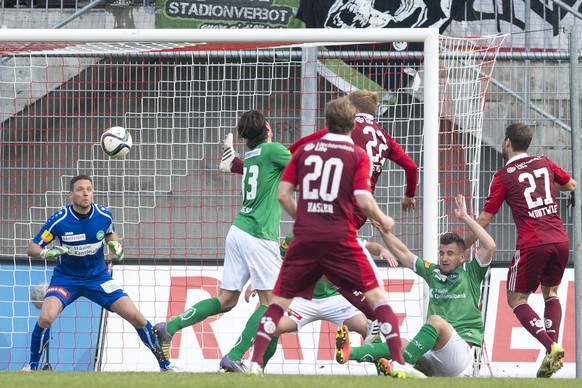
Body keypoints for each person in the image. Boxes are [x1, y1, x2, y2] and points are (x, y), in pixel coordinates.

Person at [247, 96, 425, 378]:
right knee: (379, 299)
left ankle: (255, 363)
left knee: (278, 302)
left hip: (305, 237)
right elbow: (364, 200)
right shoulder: (358, 155)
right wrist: (384, 219)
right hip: (340, 235)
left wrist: (303, 219)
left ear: (326, 122)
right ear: (351, 123)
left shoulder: (306, 149)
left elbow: (283, 193)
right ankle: (400, 363)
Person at [153, 110, 292, 362]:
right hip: (259, 234)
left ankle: (169, 328)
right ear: (267, 128)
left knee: (227, 300)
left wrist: (234, 163)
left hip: (238, 230)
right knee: (272, 305)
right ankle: (236, 357)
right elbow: (301, 169)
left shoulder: (253, 155)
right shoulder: (273, 151)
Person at [22, 175, 174, 371]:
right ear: (71, 195)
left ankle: (166, 366)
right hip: (66, 279)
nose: (85, 193)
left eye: (89, 189)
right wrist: (46, 252)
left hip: (98, 278)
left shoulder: (104, 215)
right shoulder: (59, 220)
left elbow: (111, 233)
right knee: (46, 318)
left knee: (136, 317)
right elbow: (32, 247)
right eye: (80, 189)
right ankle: (32, 368)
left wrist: (115, 245)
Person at [335, 194, 495, 377]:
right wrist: (383, 230)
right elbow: (403, 253)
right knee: (399, 343)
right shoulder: (433, 271)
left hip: (459, 354)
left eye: (450, 253)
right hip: (434, 353)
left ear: (462, 257)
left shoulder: (471, 272)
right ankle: (350, 352)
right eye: (442, 253)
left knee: (435, 321)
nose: (444, 258)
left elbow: (489, 246)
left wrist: (465, 217)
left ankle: (402, 363)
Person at [464, 122, 576, 378]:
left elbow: (484, 219)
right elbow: (571, 185)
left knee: (515, 299)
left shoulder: (503, 175)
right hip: (560, 239)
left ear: (506, 142)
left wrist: (463, 246)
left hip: (533, 243)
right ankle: (552, 353)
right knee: (551, 292)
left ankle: (551, 346)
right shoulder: (545, 163)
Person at [219, 233, 397, 373]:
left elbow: (367, 245)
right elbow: (277, 262)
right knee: (274, 327)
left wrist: (381, 249)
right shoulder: (294, 239)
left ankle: (381, 366)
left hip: (336, 298)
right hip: (303, 300)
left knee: (366, 326)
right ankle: (257, 369)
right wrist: (256, 282)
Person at [220, 90, 418, 213]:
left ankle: (236, 165)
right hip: (362, 206)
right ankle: (235, 164)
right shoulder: (384, 136)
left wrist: (275, 159)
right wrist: (408, 196)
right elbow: (411, 168)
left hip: (337, 203)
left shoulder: (346, 125)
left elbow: (305, 142)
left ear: (354, 109)